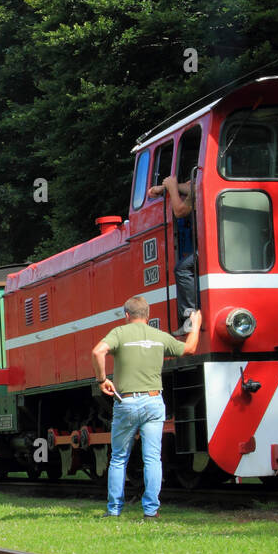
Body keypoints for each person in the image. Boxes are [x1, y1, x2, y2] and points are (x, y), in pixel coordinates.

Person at [91, 296, 202, 519]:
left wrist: (102, 380)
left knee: (119, 458)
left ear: (126, 315)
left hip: (127, 403)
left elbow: (97, 352)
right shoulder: (159, 336)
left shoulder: (119, 333)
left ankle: (114, 510)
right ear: (147, 315)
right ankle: (151, 511)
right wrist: (196, 324)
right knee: (152, 458)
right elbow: (189, 349)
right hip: (153, 402)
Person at [147, 174, 197, 329]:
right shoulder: (200, 186)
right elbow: (189, 186)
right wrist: (166, 187)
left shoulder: (199, 191)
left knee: (181, 269)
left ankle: (191, 317)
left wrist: (172, 188)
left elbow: (180, 211)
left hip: (212, 250)